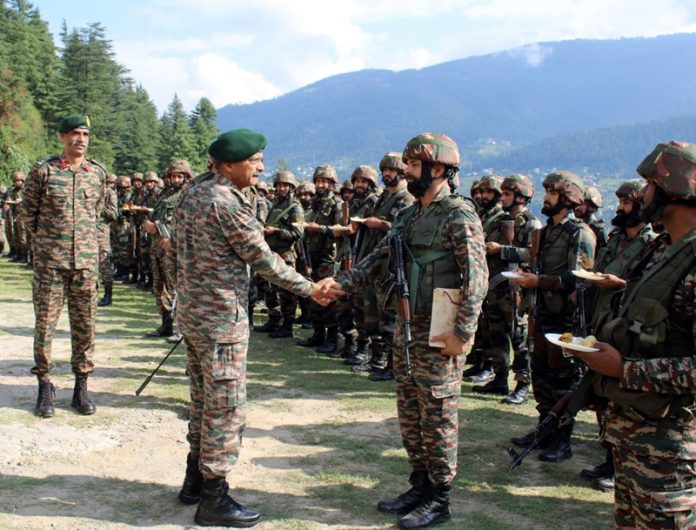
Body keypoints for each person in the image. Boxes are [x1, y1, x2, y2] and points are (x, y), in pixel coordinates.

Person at [325, 132, 487, 529]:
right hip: (408, 326)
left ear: (438, 168)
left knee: (438, 414)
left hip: (441, 330)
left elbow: (476, 278)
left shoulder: (458, 214)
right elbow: (380, 257)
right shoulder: (409, 214)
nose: (406, 172)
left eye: (414, 166)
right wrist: (341, 284)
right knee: (410, 412)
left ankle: (441, 498)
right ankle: (420, 483)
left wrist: (461, 334)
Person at [171, 128, 330, 528]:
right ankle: (214, 498)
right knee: (225, 407)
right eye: (254, 161)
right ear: (228, 165)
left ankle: (193, 479)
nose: (260, 167)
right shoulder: (227, 203)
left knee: (202, 401)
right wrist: (311, 289)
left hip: (192, 315)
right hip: (221, 321)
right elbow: (264, 261)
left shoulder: (192, 192)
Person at [570, 141, 696, 528]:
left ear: (674, 189)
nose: (641, 194)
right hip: (633, 435)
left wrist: (623, 369)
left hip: (670, 444)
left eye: (648, 185)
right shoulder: (662, 250)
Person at [21, 114, 106, 418]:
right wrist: (47, 246)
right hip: (51, 265)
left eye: (84, 133)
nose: (79, 139)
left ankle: (81, 388)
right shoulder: (42, 172)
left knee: (85, 328)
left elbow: (97, 216)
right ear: (61, 137)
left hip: (85, 265)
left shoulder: (97, 174)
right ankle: (45, 386)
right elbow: (27, 216)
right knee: (45, 326)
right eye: (73, 133)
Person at [510, 171, 596, 463]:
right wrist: (529, 277)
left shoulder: (579, 233)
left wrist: (539, 282)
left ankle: (562, 439)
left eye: (552, 193)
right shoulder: (546, 232)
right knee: (542, 376)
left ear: (568, 198)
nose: (545, 198)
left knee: (564, 379)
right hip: (542, 314)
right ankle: (543, 430)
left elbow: (577, 279)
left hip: (565, 320)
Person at [480, 174, 542, 403]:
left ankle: (523, 384)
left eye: (507, 194)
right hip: (496, 286)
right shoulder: (501, 220)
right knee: (495, 332)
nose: (502, 198)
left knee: (518, 336)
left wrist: (502, 250)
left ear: (520, 197)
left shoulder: (531, 223)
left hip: (516, 288)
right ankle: (499, 378)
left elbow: (532, 253)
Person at [255, 170, 305, 338]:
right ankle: (274, 319)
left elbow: (298, 233)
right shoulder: (275, 203)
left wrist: (276, 231)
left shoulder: (295, 208)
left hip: (285, 254)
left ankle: (288, 324)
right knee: (268, 287)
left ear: (291, 187)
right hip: (270, 252)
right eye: (280, 185)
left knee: (286, 290)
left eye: (286, 185)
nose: (282, 188)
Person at [97, 174, 119, 307]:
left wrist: (99, 207)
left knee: (105, 264)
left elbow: (114, 214)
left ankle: (108, 294)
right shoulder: (87, 189)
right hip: (85, 233)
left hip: (101, 232)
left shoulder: (109, 193)